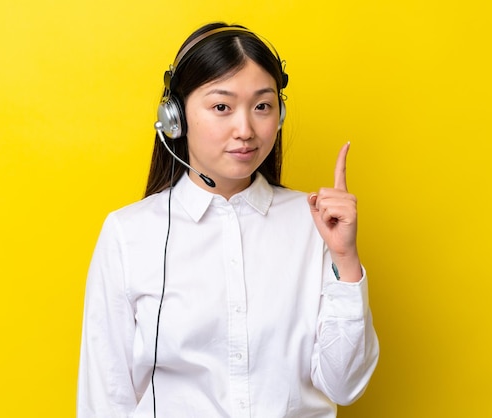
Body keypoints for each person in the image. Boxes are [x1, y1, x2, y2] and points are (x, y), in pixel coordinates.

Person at [77, 22, 379, 417]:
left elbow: (345, 385)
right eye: (222, 107)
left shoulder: (316, 224)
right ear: (176, 117)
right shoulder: (129, 234)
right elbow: (107, 398)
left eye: (262, 106)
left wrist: (346, 260)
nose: (245, 130)